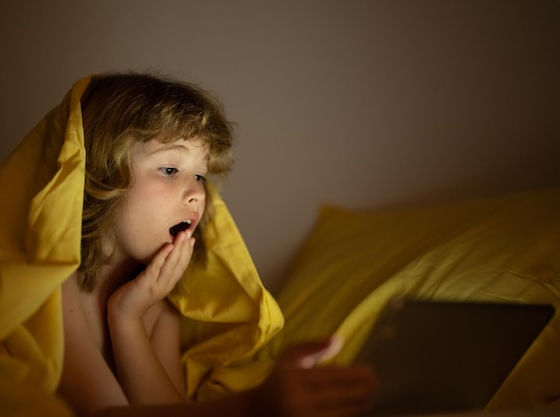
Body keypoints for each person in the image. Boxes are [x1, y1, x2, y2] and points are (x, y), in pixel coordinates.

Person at [52, 72, 378, 417]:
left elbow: (171, 409)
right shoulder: (54, 285)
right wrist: (256, 406)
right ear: (100, 172)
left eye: (199, 176)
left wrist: (127, 316)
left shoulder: (160, 306)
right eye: (168, 169)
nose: (195, 194)